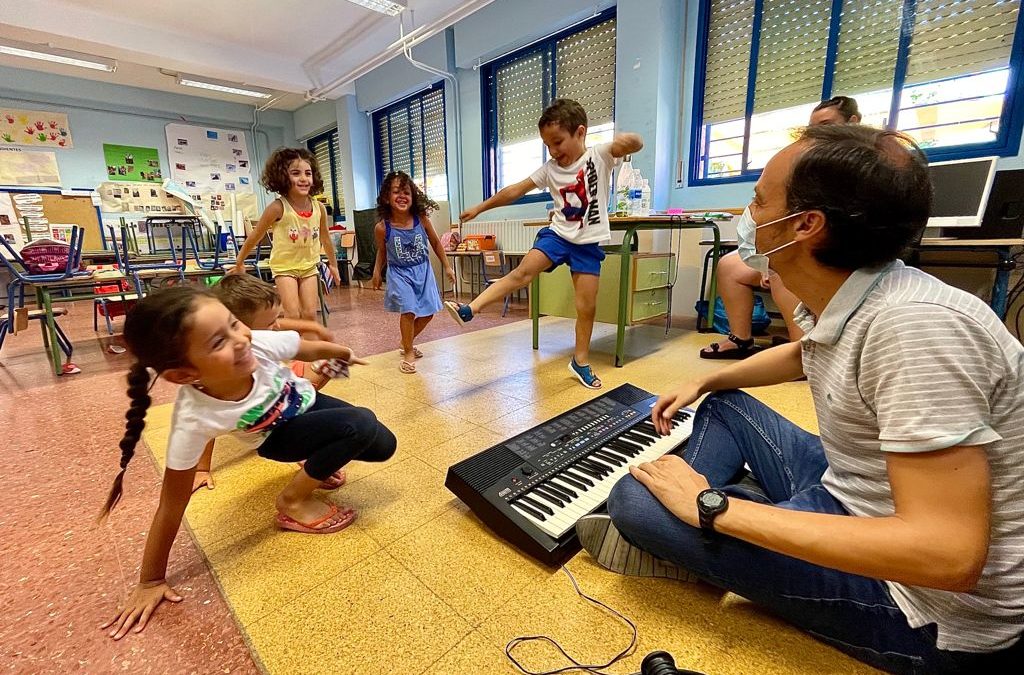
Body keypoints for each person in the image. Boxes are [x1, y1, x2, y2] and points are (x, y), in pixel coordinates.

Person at [576, 124, 1024, 673]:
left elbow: (948, 555)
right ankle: (737, 517)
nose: (751, 212)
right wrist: (703, 381)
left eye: (761, 200)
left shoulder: (916, 331)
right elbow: (805, 354)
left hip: (924, 608)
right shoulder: (860, 289)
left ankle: (717, 517)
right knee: (726, 402)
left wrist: (711, 507)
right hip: (854, 488)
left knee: (633, 503)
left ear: (806, 225)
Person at [98, 286, 396, 639]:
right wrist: (150, 579)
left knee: (382, 444)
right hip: (276, 438)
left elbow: (306, 347)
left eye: (234, 325)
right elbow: (171, 504)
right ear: (183, 374)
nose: (240, 340)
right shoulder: (194, 417)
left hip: (307, 403)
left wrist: (343, 353)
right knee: (360, 423)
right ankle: (292, 501)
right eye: (217, 342)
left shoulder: (253, 342)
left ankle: (316, 460)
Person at [444, 99, 644, 388]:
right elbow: (514, 190)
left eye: (558, 142)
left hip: (587, 244)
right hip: (558, 236)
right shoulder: (550, 168)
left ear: (580, 133)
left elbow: (633, 145)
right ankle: (470, 309)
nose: (554, 151)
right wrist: (480, 208)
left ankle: (581, 361)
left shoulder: (599, 156)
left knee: (586, 307)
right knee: (521, 273)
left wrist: (631, 139)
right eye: (548, 145)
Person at [701, 95, 861, 359]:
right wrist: (766, 257)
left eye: (826, 123)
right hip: (793, 245)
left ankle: (801, 352)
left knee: (782, 271)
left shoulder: (858, 168)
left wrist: (775, 260)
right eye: (812, 127)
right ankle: (740, 339)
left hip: (832, 253)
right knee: (730, 266)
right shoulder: (808, 165)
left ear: (852, 122)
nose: (816, 133)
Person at [188, 273, 348, 492]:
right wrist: (201, 469)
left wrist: (313, 328)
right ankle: (296, 439)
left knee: (331, 362)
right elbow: (206, 419)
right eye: (270, 323)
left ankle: (300, 421)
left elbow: (277, 322)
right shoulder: (224, 366)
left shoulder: (252, 332)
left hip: (278, 384)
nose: (277, 326)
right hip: (262, 412)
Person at [230, 148, 339, 338]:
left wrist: (333, 265)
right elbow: (255, 235)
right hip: (284, 267)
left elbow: (325, 239)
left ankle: (312, 356)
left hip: (309, 267)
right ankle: (291, 353)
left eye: (308, 173)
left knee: (310, 314)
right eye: (295, 173)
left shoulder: (319, 208)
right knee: (293, 314)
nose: (304, 178)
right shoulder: (277, 207)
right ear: (282, 177)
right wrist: (239, 261)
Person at [370, 171, 455, 374]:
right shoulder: (382, 227)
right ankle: (408, 351)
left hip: (423, 271)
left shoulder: (421, 219)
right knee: (408, 310)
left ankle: (405, 341)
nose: (402, 196)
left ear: (413, 196)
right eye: (396, 192)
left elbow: (435, 242)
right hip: (399, 273)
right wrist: (376, 272)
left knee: (428, 313)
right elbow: (382, 251)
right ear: (386, 198)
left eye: (406, 192)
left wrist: (447, 266)